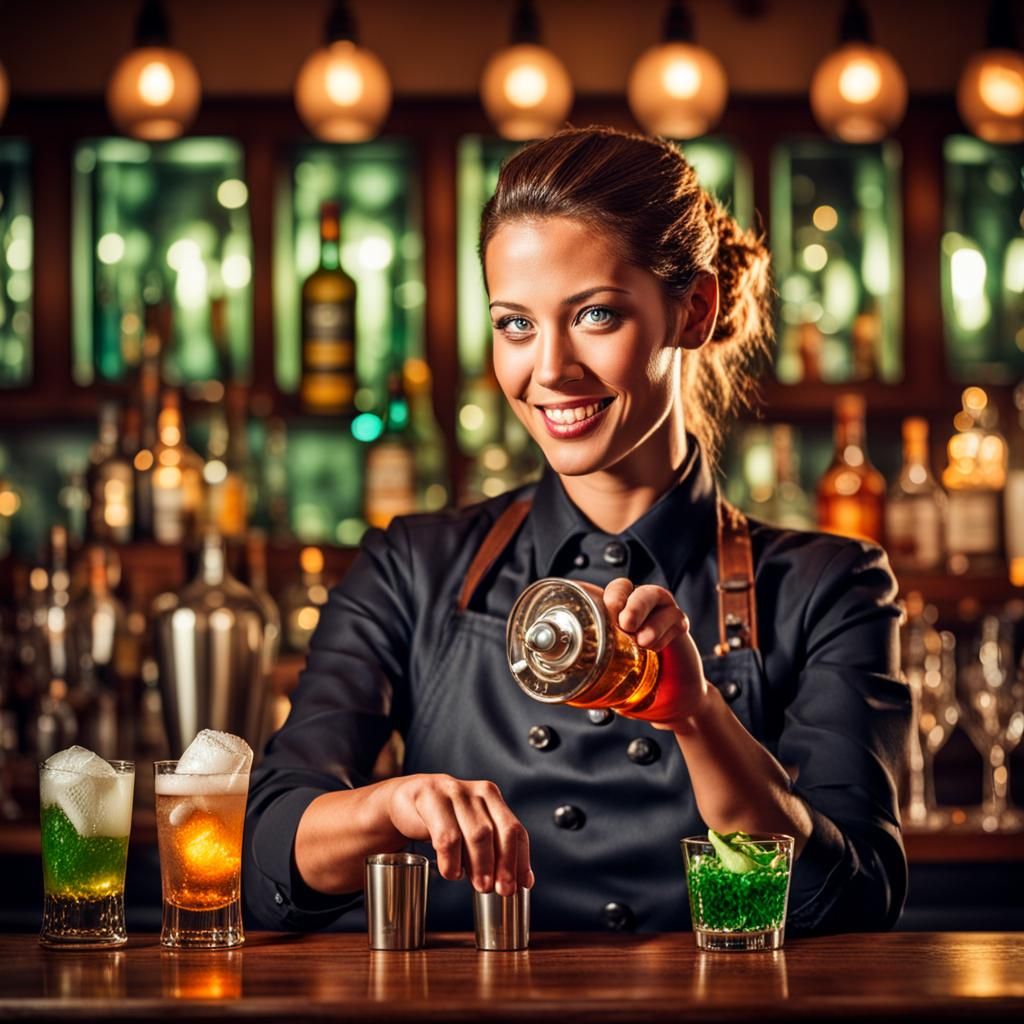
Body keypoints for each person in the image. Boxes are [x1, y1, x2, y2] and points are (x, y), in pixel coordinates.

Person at [243, 125, 911, 935]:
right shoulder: (411, 566)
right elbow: (264, 859)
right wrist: (392, 806)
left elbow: (855, 898)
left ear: (694, 311)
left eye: (595, 315)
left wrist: (696, 717)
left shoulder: (828, 587)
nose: (550, 369)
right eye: (515, 325)